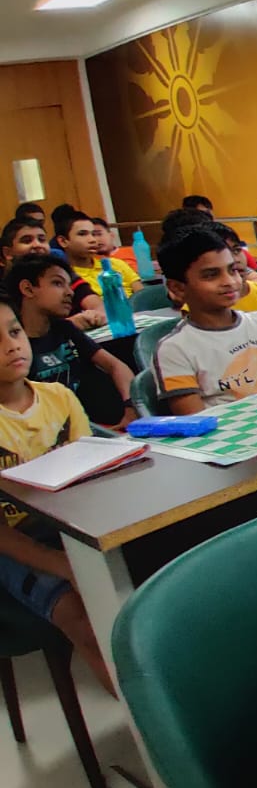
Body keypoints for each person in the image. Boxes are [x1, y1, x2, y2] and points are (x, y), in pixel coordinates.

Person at [0, 296, 115, 694]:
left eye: (14, 332)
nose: (12, 346)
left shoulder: (58, 397)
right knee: (85, 619)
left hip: (75, 524)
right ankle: (146, 717)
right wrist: (62, 565)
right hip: (16, 542)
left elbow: (88, 477)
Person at [153, 228, 257, 413]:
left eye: (232, 270)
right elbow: (197, 422)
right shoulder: (174, 349)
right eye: (211, 275)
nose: (229, 281)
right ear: (177, 288)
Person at [7, 256, 134, 428]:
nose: (70, 292)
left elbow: (116, 366)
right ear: (28, 289)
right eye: (57, 283)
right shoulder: (13, 347)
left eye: (69, 285)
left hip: (91, 425)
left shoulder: (64, 329)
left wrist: (130, 407)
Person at [2, 218, 101, 326]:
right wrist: (70, 324)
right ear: (8, 253)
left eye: (42, 239)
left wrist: (95, 316)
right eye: (27, 241)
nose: (37, 245)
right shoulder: (3, 287)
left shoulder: (60, 272)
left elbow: (96, 305)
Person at [55, 210, 140, 297]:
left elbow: (142, 295)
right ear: (63, 241)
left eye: (93, 234)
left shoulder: (116, 264)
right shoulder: (65, 278)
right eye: (82, 234)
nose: (93, 240)